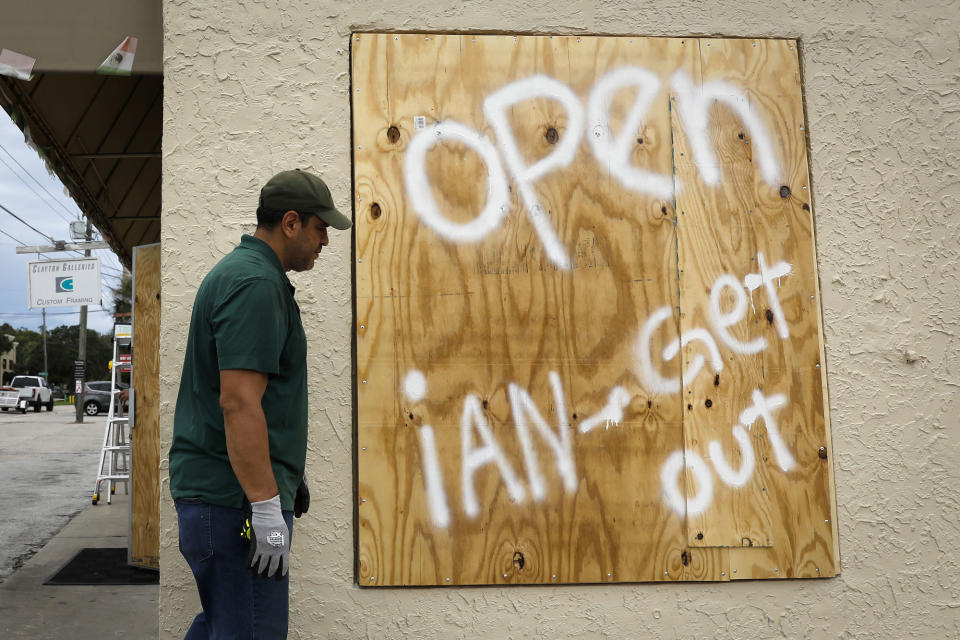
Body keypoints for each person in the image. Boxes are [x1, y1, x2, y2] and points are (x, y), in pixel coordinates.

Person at [168, 169, 351, 639]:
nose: (325, 241)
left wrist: (283, 472)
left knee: (225, 626)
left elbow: (255, 400)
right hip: (235, 505)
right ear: (290, 223)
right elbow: (239, 403)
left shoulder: (248, 275)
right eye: (320, 228)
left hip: (228, 497)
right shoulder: (255, 284)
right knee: (251, 631)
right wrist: (267, 505)